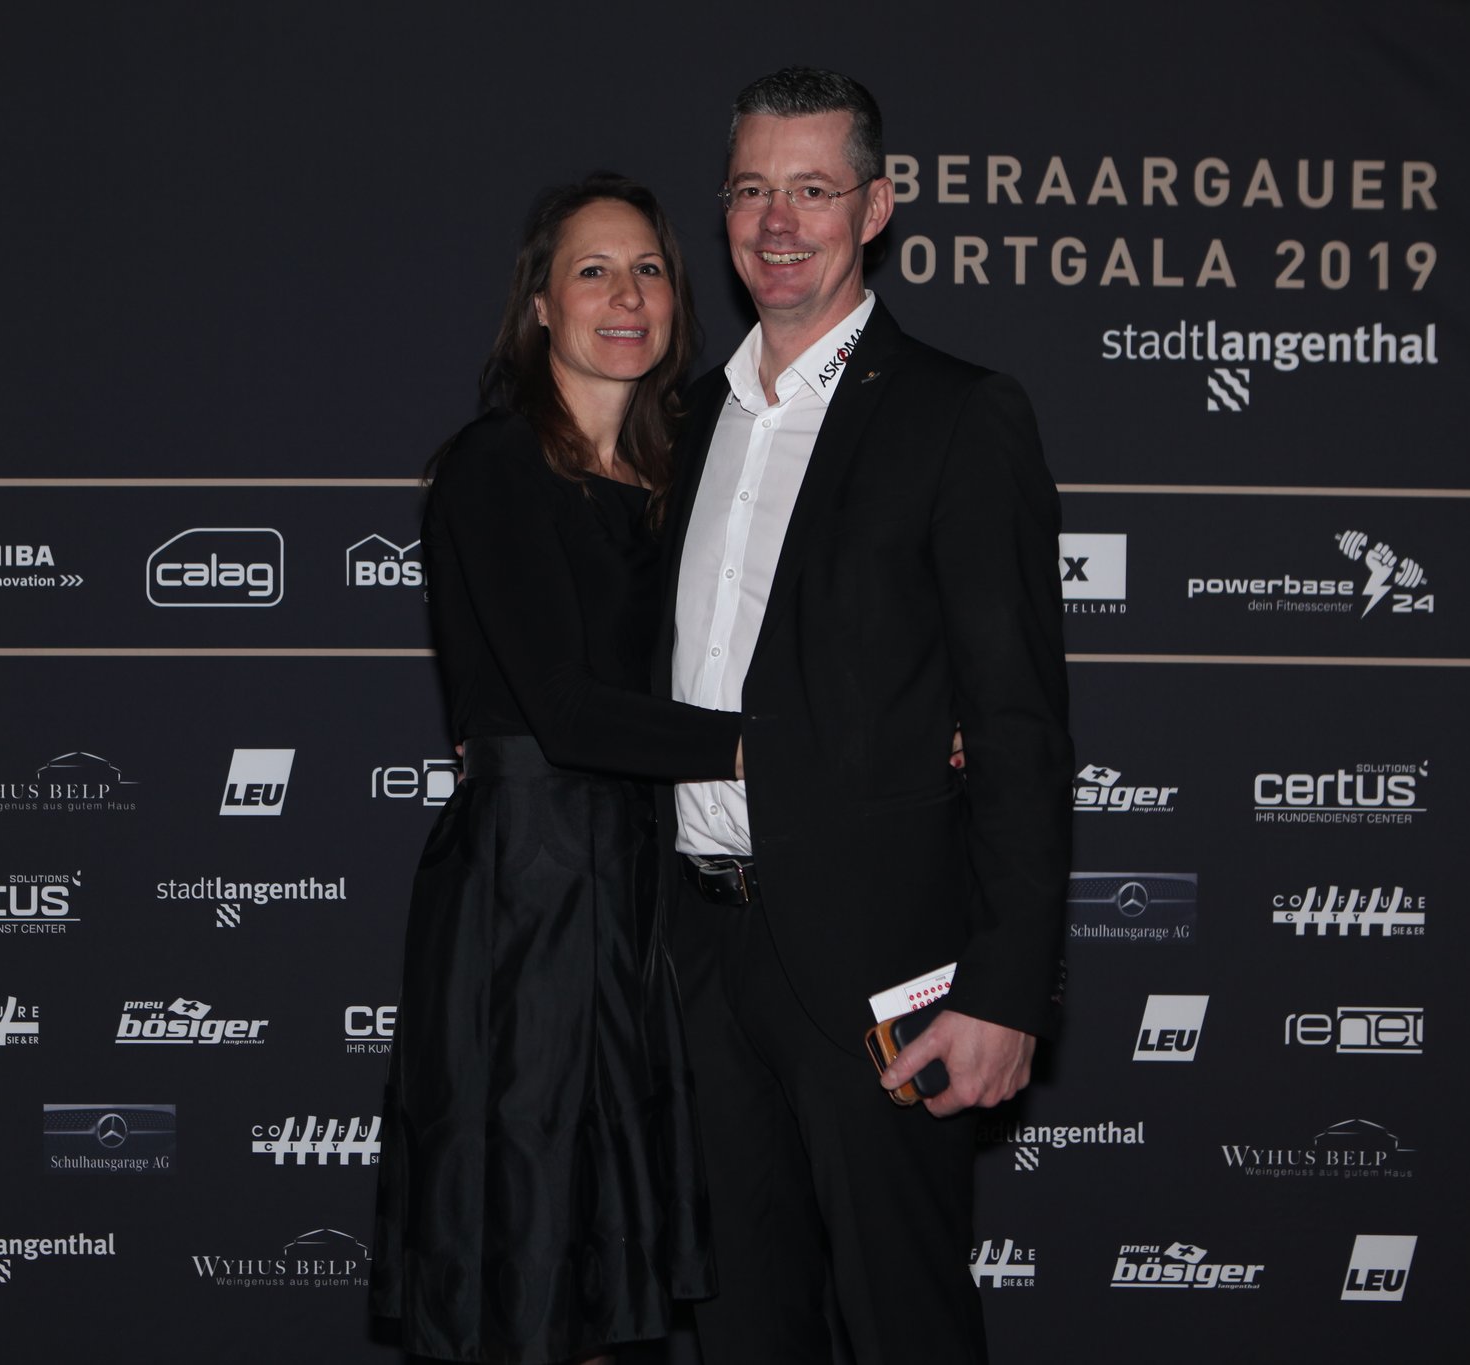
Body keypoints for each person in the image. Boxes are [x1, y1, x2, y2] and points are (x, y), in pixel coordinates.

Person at [657, 68, 1074, 1364]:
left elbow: (1016, 721)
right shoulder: (679, 423)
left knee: (905, 1326)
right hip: (691, 958)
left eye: (813, 190)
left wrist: (1007, 991)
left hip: (879, 968)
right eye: (751, 190)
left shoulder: (957, 413)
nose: (778, 223)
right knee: (736, 1329)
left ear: (876, 208)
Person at [370, 174, 745, 1365]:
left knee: (603, 1275)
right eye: (592, 271)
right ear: (539, 303)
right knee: (522, 1246)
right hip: (527, 891)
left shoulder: (681, 488)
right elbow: (569, 711)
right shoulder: (494, 465)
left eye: (648, 271)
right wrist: (772, 746)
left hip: (635, 880)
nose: (625, 296)